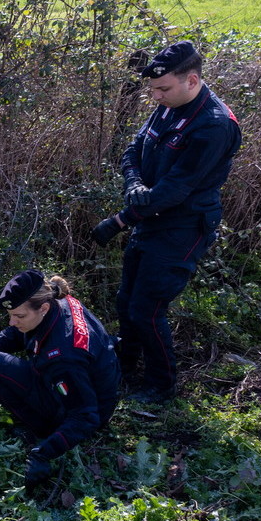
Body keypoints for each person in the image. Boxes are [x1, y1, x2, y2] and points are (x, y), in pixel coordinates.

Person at [92, 40, 242, 404]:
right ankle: (123, 368)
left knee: (148, 308)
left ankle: (161, 386)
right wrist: (134, 184)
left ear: (191, 81)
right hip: (148, 217)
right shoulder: (167, 106)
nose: (156, 96)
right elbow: (132, 150)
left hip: (183, 226)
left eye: (163, 89)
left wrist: (121, 219)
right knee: (126, 299)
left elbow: (177, 189)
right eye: (153, 89)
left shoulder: (214, 125)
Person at [0, 270, 120, 492]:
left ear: (42, 308)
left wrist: (44, 452)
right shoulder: (57, 301)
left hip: (89, 407)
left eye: (19, 316)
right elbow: (13, 334)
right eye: (11, 315)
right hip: (90, 385)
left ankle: (40, 428)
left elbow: (86, 416)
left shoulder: (62, 356)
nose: (12, 321)